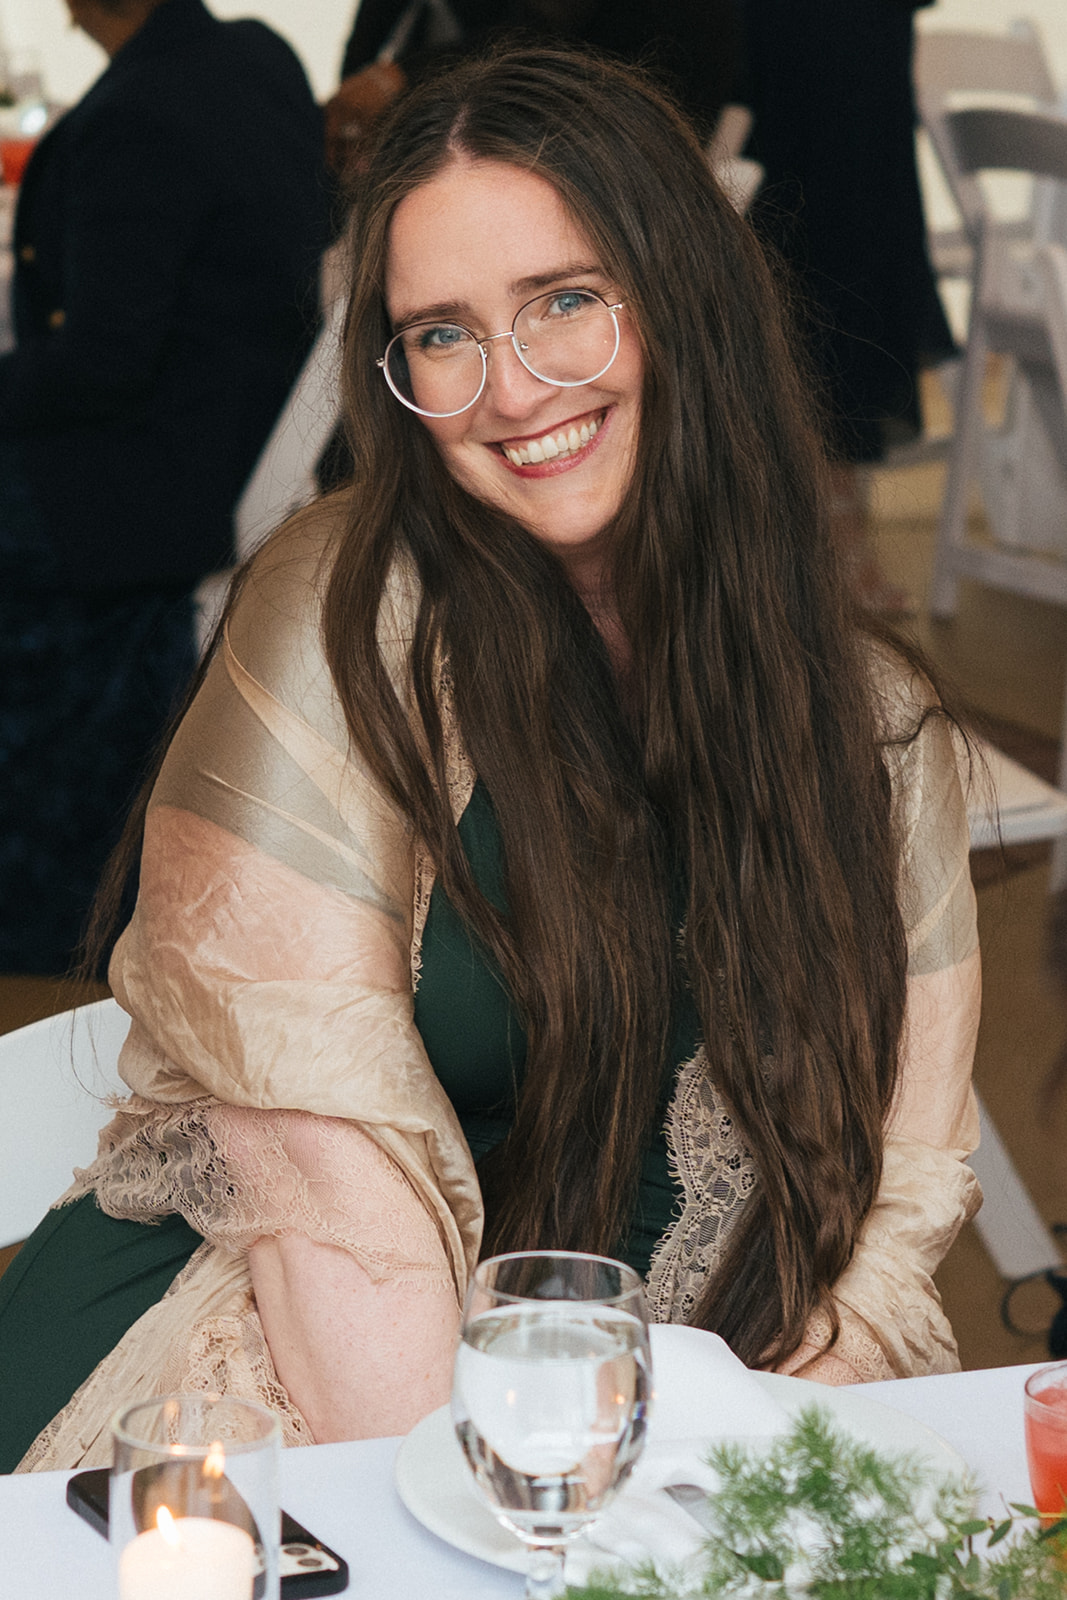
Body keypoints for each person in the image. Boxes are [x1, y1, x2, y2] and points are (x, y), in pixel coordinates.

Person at [0, 45, 980, 1473]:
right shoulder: (350, 616)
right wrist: (533, 1511)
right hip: (278, 1382)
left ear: (682, 298)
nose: (509, 390)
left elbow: (899, 1195)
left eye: (564, 301)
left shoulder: (874, 725)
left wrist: (761, 1470)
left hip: (638, 1428)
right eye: (441, 335)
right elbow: (315, 1161)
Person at [0, 0, 329, 975]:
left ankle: (35, 907)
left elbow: (101, 361)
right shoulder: (257, 60)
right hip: (221, 447)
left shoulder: (141, 113)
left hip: (144, 492)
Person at [738, 0, 956, 614]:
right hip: (805, 51)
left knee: (843, 265)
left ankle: (830, 536)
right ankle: (819, 540)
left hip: (857, 54)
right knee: (811, 262)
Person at [325, 0, 740, 176]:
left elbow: (538, 33)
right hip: (553, 108)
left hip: (626, 132)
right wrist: (356, 91)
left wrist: (396, 77)